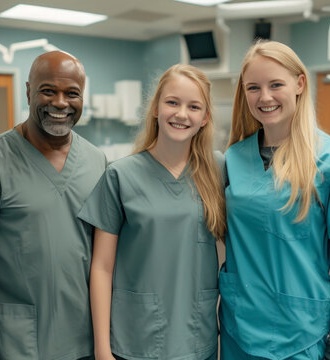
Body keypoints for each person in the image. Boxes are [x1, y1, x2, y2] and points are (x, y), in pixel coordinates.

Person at [219, 40, 330, 360]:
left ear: (300, 84)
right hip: (237, 328)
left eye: (276, 84)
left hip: (301, 337)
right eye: (253, 87)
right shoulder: (233, 158)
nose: (264, 97)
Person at [0, 50, 106, 360]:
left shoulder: (97, 162)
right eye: (48, 90)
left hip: (87, 338)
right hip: (18, 344)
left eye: (71, 93)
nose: (60, 102)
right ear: (27, 92)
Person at [78, 64, 226, 360]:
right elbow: (102, 267)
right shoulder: (120, 176)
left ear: (205, 117)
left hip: (197, 335)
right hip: (136, 338)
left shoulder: (218, 169)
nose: (181, 114)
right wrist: (102, 349)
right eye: (172, 102)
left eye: (194, 106)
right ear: (156, 107)